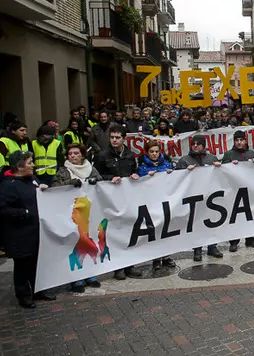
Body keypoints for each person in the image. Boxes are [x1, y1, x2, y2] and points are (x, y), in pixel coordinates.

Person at [0, 151, 55, 309]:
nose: (33, 165)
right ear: (19, 166)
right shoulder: (8, 185)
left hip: (35, 231)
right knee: (23, 266)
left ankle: (38, 290)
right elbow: (2, 210)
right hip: (20, 234)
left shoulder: (32, 180)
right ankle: (23, 295)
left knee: (37, 263)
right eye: (29, 163)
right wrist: (24, 213)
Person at [52, 144, 103, 292]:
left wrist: (96, 182)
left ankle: (90, 274)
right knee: (75, 242)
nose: (73, 156)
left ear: (82, 155)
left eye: (76, 153)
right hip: (72, 213)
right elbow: (55, 187)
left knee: (89, 240)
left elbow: (101, 183)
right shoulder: (63, 171)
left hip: (89, 211)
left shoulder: (91, 169)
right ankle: (76, 278)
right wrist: (69, 183)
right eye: (70, 154)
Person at [94, 125, 143, 280]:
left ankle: (130, 265)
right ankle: (118, 268)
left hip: (127, 199)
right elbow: (96, 176)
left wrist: (135, 174)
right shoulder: (102, 155)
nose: (114, 140)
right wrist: (110, 179)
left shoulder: (129, 155)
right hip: (111, 201)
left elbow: (134, 170)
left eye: (117, 137)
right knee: (115, 233)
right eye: (112, 137)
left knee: (129, 231)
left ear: (124, 138)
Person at [176, 135, 224, 261]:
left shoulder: (212, 158)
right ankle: (197, 249)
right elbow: (176, 179)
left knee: (211, 222)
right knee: (196, 224)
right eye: (193, 144)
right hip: (193, 197)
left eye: (198, 144)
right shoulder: (184, 160)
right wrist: (185, 172)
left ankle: (212, 246)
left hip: (209, 197)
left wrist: (220, 168)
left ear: (204, 145)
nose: (195, 146)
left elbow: (220, 177)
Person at [137, 140, 178, 269]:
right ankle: (156, 258)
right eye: (151, 152)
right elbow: (137, 180)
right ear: (147, 152)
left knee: (166, 227)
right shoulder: (142, 165)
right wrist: (145, 176)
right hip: (150, 201)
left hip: (165, 199)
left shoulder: (166, 162)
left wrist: (171, 173)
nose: (154, 154)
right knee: (153, 229)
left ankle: (166, 256)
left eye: (156, 151)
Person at [222, 131, 254, 251]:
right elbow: (222, 171)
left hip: (249, 190)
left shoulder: (250, 153)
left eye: (241, 140)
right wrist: (229, 165)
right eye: (237, 140)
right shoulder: (228, 154)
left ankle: (250, 238)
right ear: (234, 142)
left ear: (245, 141)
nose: (239, 142)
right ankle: (234, 241)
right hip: (234, 190)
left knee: (250, 214)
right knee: (235, 216)